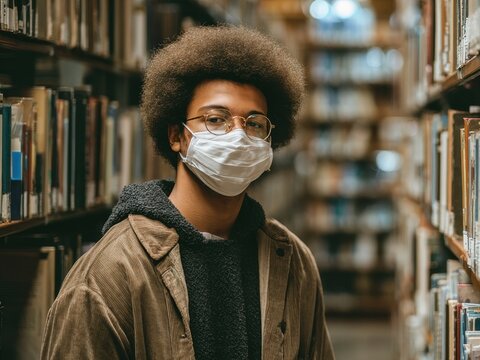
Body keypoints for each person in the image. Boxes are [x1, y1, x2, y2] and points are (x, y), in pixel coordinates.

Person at [41, 26, 335, 360]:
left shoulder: (292, 262)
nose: (238, 136)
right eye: (215, 119)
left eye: (254, 123)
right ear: (176, 136)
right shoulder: (110, 272)